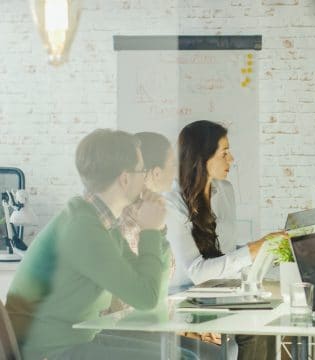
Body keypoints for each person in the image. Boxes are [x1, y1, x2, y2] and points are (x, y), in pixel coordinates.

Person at [5, 129, 184, 360]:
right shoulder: (83, 228)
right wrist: (150, 230)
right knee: (177, 357)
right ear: (125, 178)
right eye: (142, 171)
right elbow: (145, 299)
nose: (145, 178)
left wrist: (157, 230)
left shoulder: (100, 222)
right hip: (50, 351)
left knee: (180, 354)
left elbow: (148, 284)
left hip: (75, 340)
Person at [163, 120, 275, 360]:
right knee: (254, 329)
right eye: (224, 152)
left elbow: (224, 253)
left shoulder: (225, 191)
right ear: (201, 157)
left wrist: (268, 252)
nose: (231, 159)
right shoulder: (171, 202)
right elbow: (198, 272)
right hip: (185, 298)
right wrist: (254, 249)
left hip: (221, 292)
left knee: (268, 316)